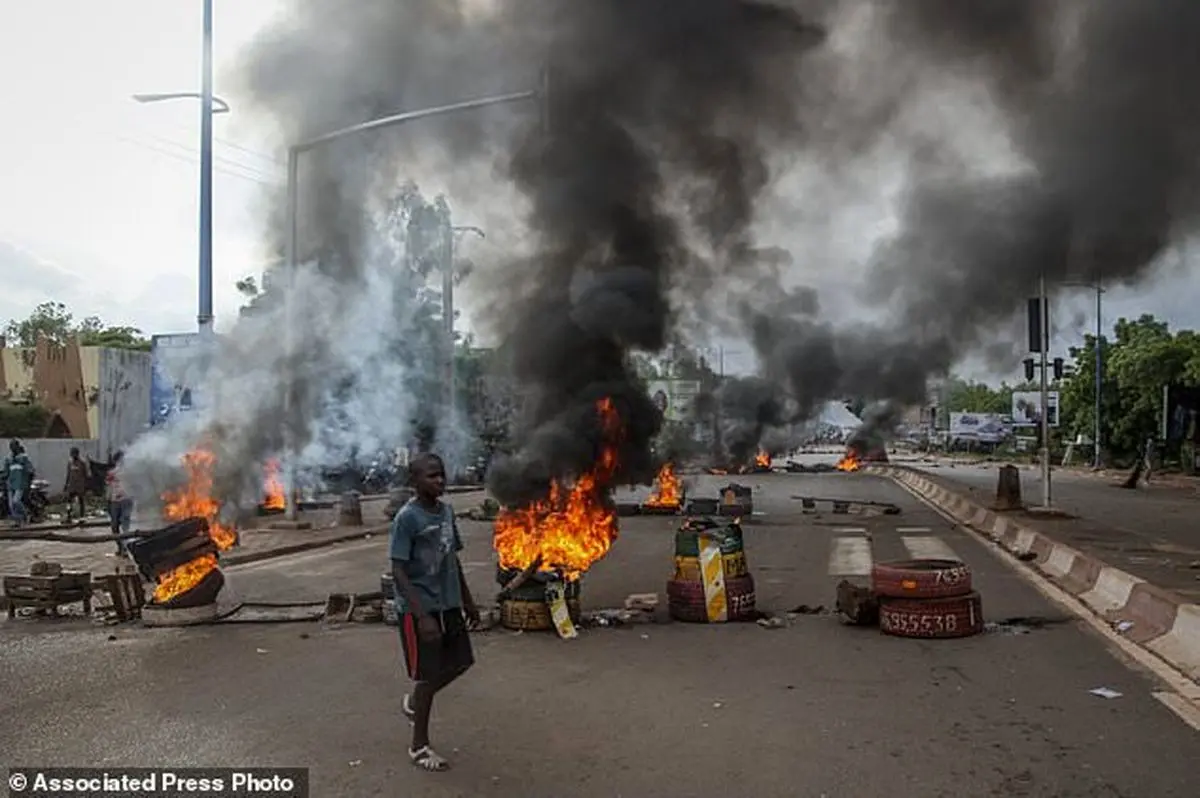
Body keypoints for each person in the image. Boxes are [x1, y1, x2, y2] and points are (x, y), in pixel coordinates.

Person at [389, 452, 479, 772]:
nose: (440, 480)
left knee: (462, 661)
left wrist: (467, 600)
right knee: (428, 676)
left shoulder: (447, 512)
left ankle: (415, 701)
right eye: (431, 475)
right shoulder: (407, 518)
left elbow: (453, 558)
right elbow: (398, 570)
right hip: (420, 608)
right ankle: (419, 746)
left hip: (449, 603)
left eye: (441, 474)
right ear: (415, 481)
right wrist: (421, 616)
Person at [105, 450, 133, 555]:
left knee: (125, 524)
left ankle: (126, 548)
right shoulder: (111, 473)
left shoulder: (129, 472)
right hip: (114, 502)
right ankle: (121, 547)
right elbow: (108, 488)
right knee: (115, 525)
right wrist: (108, 501)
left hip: (126, 500)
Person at [3, 439, 35, 527]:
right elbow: (5, 472)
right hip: (10, 484)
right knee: (11, 505)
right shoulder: (8, 459)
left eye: (14, 446)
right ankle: (17, 521)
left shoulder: (23, 458)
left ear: (17, 447)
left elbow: (30, 470)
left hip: (20, 484)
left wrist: (28, 479)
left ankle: (25, 515)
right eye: (11, 446)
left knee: (16, 501)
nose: (12, 448)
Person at [63, 447, 91, 524]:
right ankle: (69, 516)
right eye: (71, 454)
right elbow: (68, 474)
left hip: (80, 486)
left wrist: (86, 486)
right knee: (69, 501)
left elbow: (87, 475)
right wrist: (66, 485)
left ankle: (82, 517)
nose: (72, 456)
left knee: (81, 501)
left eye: (74, 454)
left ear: (77, 454)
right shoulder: (70, 462)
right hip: (71, 486)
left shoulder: (82, 462)